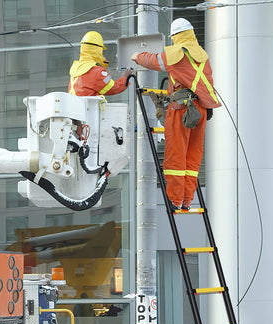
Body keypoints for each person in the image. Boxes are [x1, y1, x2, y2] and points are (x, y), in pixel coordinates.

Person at [131, 18, 221, 211]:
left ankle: (174, 199)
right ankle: (187, 200)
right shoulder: (202, 55)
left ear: (175, 37)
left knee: (176, 154)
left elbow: (154, 61)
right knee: (193, 156)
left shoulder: (177, 53)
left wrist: (138, 56)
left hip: (182, 109)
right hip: (201, 111)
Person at [68, 31, 131, 96]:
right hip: (88, 106)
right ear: (98, 50)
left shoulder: (76, 67)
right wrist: (125, 78)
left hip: (74, 105)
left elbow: (91, 84)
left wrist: (102, 63)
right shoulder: (96, 71)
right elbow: (114, 88)